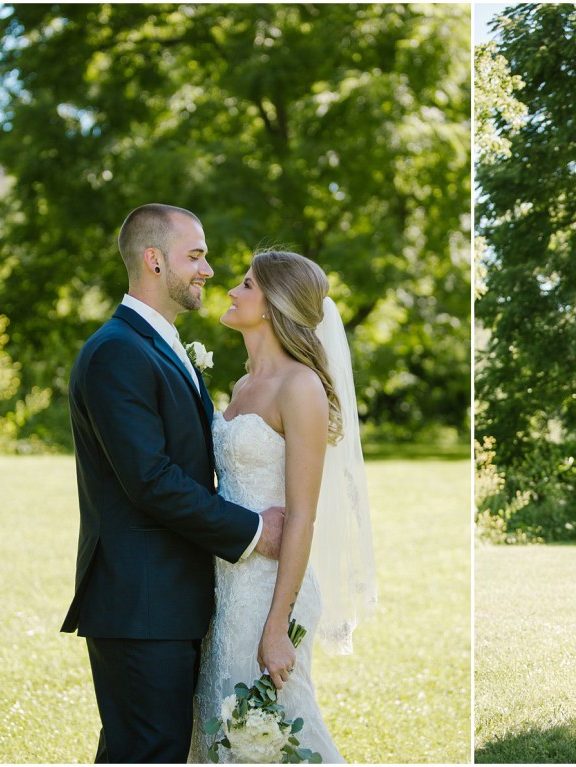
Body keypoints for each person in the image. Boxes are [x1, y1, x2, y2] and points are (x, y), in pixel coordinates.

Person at [62, 203, 286, 763]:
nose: (208, 270)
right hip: (140, 602)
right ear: (154, 261)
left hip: (166, 600)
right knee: (147, 753)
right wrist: (255, 531)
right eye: (196, 255)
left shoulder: (156, 345)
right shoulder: (118, 352)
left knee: (148, 751)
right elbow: (152, 480)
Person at [188, 251, 377, 763]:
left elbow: (303, 515)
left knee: (277, 738)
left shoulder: (301, 387)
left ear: (271, 305)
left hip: (269, 593)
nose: (231, 291)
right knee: (223, 734)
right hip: (226, 586)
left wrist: (277, 625)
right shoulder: (244, 386)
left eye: (245, 285)